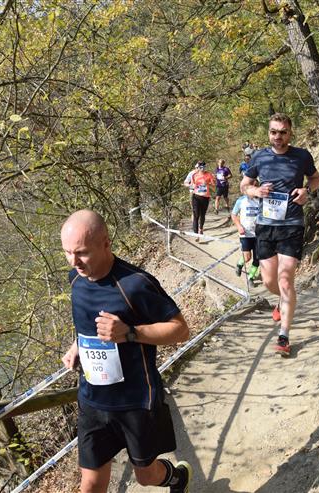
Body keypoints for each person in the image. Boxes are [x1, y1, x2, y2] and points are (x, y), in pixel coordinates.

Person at [61, 210, 192, 493]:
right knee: (90, 486)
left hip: (135, 403)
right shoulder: (75, 279)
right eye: (68, 253)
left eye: (81, 253)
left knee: (146, 476)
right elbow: (87, 323)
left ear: (106, 244)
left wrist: (130, 333)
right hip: (92, 400)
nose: (74, 261)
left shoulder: (135, 284)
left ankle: (177, 477)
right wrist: (77, 346)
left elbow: (181, 330)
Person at [240, 113, 319, 357]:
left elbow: (315, 178)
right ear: (269, 133)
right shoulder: (259, 156)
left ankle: (284, 336)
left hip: (292, 224)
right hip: (265, 225)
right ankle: (283, 300)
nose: (278, 136)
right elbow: (244, 185)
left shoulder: (302, 156)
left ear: (290, 133)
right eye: (274, 132)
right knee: (269, 282)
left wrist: (306, 191)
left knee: (285, 280)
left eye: (283, 132)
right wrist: (256, 191)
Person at [230, 194, 260, 287]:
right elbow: (233, 215)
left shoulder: (262, 200)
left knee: (257, 258)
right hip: (245, 234)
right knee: (247, 257)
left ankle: (250, 278)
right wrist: (239, 226)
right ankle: (239, 265)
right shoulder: (241, 200)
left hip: (259, 234)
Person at [185, 161, 216, 242]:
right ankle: (196, 234)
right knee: (196, 215)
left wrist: (208, 184)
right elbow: (188, 184)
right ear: (198, 167)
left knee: (202, 215)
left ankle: (201, 228)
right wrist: (192, 185)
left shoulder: (209, 174)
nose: (202, 169)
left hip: (205, 197)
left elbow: (214, 186)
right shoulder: (194, 175)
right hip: (196, 197)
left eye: (204, 167)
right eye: (201, 167)